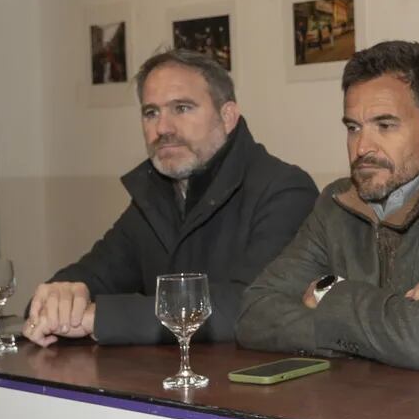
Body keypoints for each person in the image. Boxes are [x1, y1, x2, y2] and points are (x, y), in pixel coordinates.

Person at [236, 40, 419, 374]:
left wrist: (329, 292)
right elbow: (253, 314)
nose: (362, 146)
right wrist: (396, 319)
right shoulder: (335, 204)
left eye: (385, 125)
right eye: (353, 127)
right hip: (360, 408)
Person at [24, 49, 318, 346]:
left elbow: (252, 307)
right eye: (151, 113)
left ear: (227, 117)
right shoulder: (157, 194)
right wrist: (62, 295)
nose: (163, 128)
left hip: (253, 386)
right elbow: (97, 272)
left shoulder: (285, 190)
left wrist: (101, 318)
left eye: (182, 108)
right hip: (166, 384)